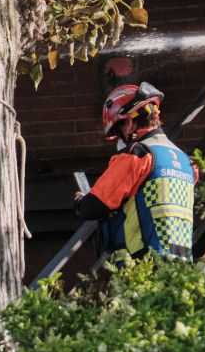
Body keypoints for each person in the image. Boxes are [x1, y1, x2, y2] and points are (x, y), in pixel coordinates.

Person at [73, 81, 198, 265]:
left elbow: (95, 205)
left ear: (129, 123)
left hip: (143, 266)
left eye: (119, 129)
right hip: (180, 266)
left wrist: (80, 202)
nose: (120, 138)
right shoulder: (185, 161)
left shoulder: (137, 154)